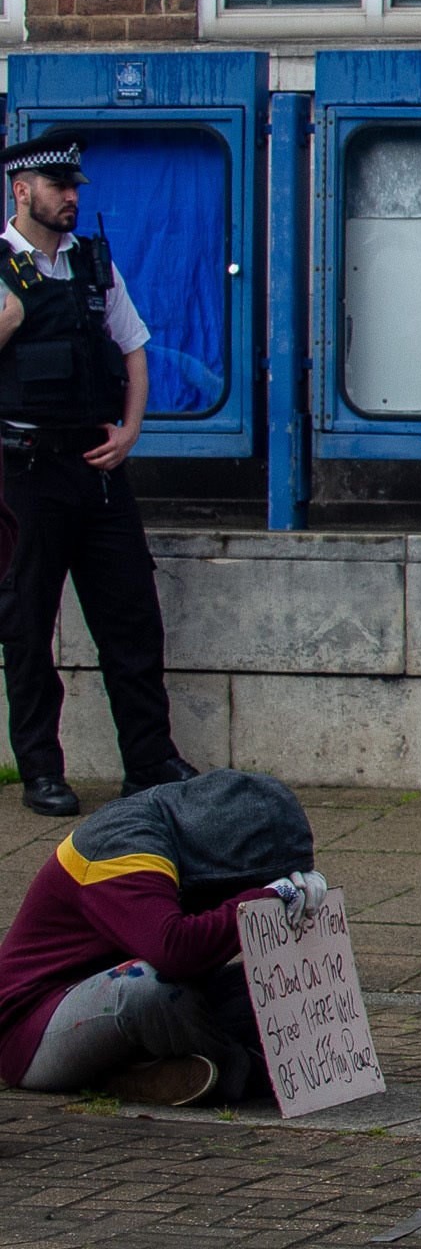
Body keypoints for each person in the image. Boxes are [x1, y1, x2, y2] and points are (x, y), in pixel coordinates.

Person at [0, 136, 190, 818]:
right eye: (58, 187)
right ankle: (42, 771)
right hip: (23, 474)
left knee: (132, 617)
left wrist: (131, 431)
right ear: (22, 191)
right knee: (26, 625)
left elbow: (133, 349)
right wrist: (11, 317)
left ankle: (149, 759)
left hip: (98, 470)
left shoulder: (93, 264)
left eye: (75, 186)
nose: (72, 198)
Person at [0, 770, 324, 1107]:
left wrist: (295, 902)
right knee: (148, 986)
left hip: (106, 1001)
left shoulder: (187, 836)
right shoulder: (120, 848)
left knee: (269, 980)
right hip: (30, 1031)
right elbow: (174, 952)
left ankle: (134, 1071)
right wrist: (264, 898)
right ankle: (247, 1073)